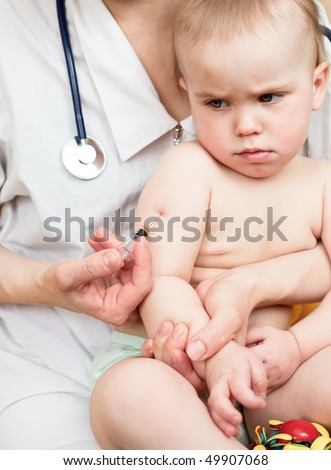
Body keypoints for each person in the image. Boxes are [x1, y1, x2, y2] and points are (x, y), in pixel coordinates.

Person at [0, 0, 331, 450]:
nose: (247, 125)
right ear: (189, 94)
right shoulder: (189, 169)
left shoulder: (323, 182)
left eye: (269, 98)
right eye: (217, 103)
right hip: (176, 365)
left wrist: (296, 347)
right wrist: (216, 359)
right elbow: (163, 279)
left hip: (275, 370)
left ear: (318, 84)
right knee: (129, 397)